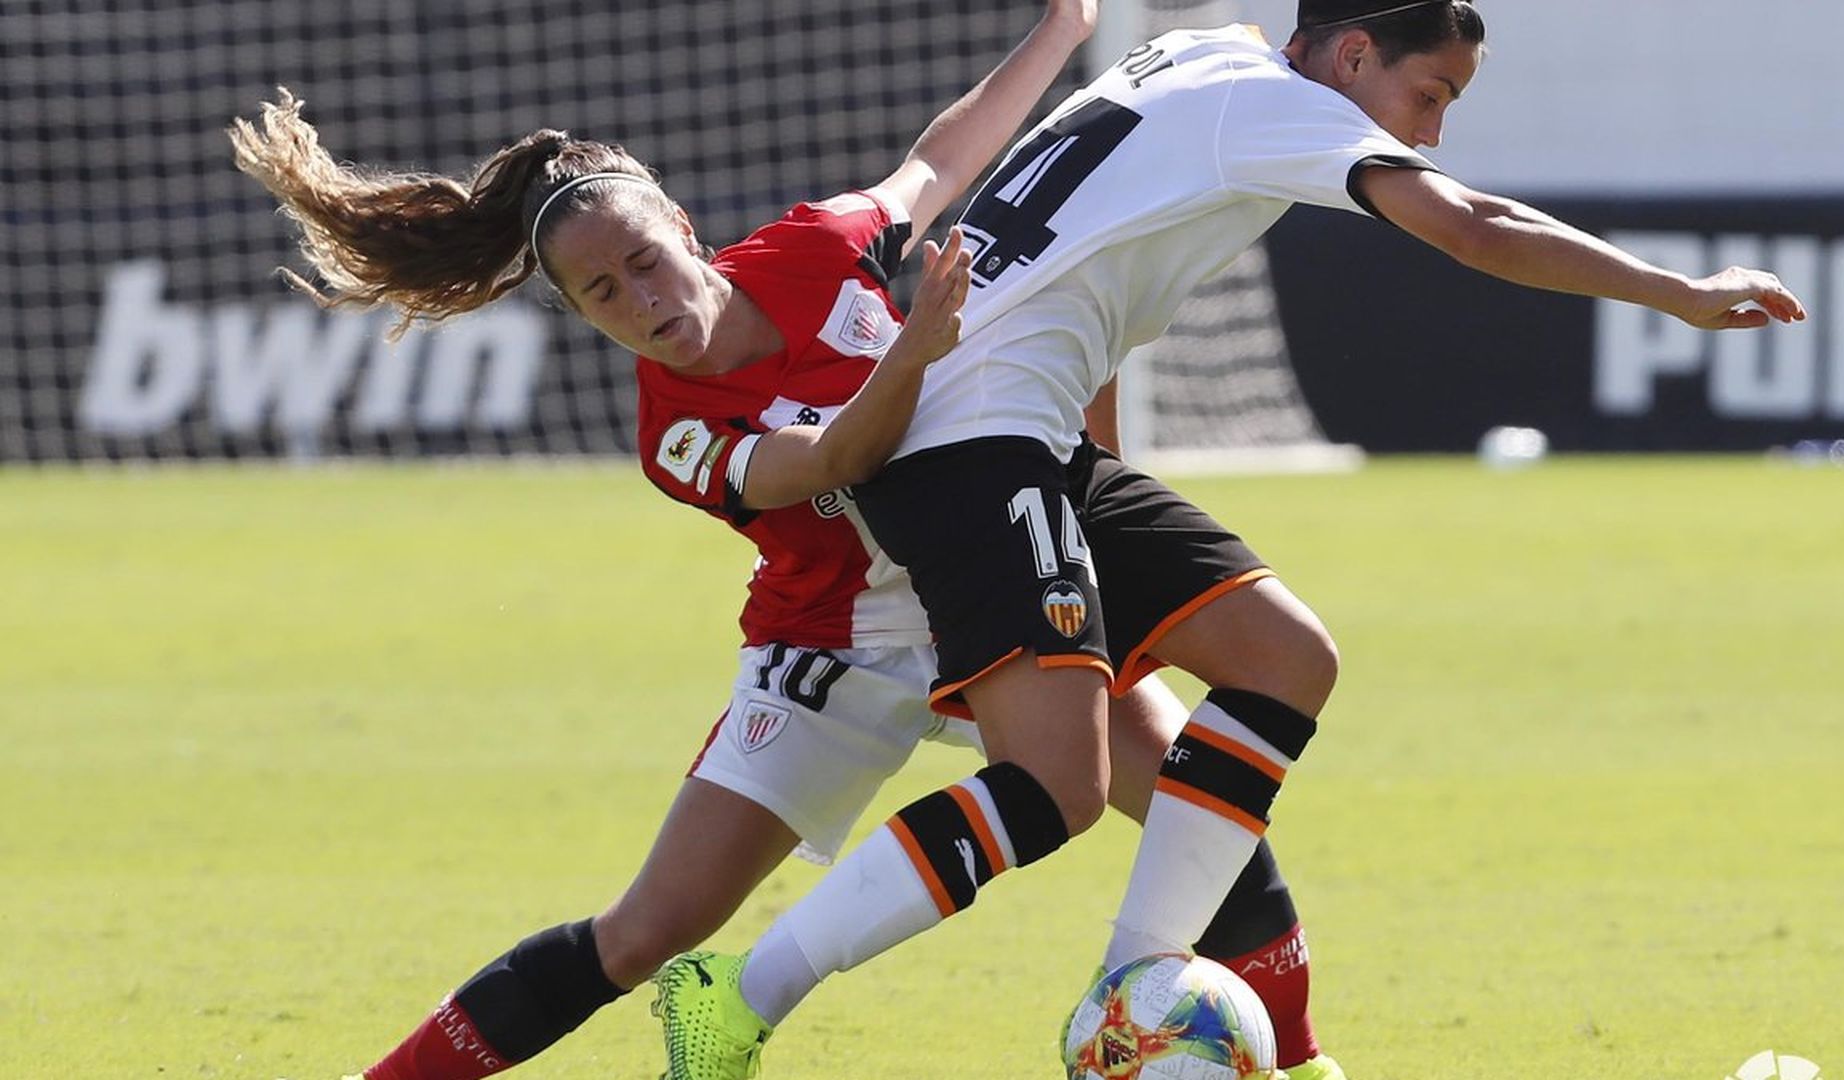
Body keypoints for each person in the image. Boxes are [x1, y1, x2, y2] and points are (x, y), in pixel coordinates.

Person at [653, 0, 1810, 1076]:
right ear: (1352, 54)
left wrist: (1094, 461)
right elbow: (1472, 227)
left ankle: (1134, 984)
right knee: (1056, 785)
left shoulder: (1205, 50)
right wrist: (1680, 293)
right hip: (969, 443)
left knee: (1286, 655)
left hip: (1027, 436)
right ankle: (740, 994)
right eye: (1431, 94)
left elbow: (1079, 259)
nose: (1436, 128)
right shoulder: (1283, 105)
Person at [228, 4, 1342, 1079]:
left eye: (646, 263)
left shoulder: (813, 249)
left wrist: (1060, 30)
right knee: (645, 932)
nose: (643, 302)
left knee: (1204, 802)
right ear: (579, 312)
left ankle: (1297, 1061)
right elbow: (827, 465)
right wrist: (913, 354)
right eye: (603, 295)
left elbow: (934, 165)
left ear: (683, 227)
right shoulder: (674, 430)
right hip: (838, 646)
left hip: (987, 577)